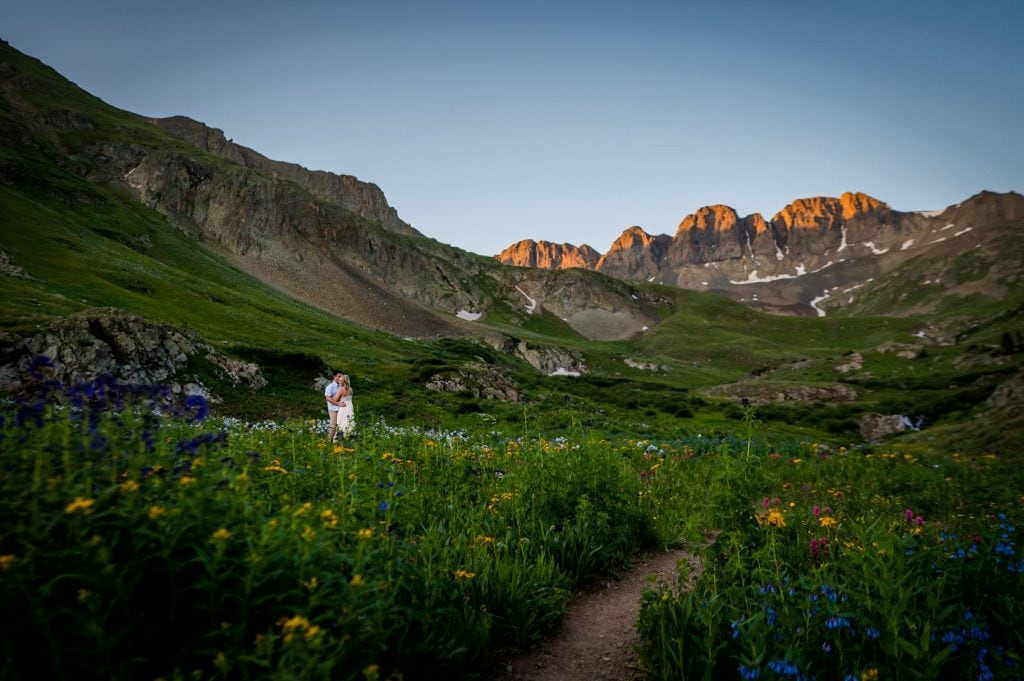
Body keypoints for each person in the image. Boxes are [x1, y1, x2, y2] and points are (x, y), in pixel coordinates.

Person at [325, 371, 345, 441]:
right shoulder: (330, 386)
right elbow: (328, 398)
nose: (340, 378)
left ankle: (337, 441)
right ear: (334, 376)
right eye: (339, 376)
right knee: (333, 426)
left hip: (342, 409)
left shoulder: (342, 386)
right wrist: (338, 404)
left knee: (341, 425)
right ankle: (328, 441)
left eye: (341, 377)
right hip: (333, 409)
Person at [337, 374, 356, 439]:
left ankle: (340, 438)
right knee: (349, 421)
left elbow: (334, 399)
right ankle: (348, 436)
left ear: (344, 381)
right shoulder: (351, 389)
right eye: (339, 380)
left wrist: (339, 403)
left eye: (341, 380)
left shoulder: (341, 389)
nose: (339, 382)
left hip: (343, 407)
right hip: (350, 407)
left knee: (341, 421)